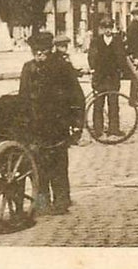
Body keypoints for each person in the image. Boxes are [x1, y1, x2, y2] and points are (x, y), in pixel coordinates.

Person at [19, 31, 85, 215]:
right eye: (36, 52)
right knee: (38, 163)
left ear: (50, 50)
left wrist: (77, 123)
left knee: (58, 161)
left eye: (42, 52)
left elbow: (76, 96)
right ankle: (42, 200)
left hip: (57, 123)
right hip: (36, 124)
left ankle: (62, 199)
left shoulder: (61, 67)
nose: (39, 56)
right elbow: (22, 96)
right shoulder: (28, 69)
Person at [87, 17, 130, 138]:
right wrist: (93, 69)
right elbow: (91, 56)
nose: (108, 30)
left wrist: (122, 71)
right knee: (98, 103)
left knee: (114, 103)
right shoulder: (96, 41)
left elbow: (122, 57)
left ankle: (114, 128)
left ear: (113, 28)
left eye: (110, 28)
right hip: (100, 77)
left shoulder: (117, 41)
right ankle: (98, 129)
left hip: (113, 77)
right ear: (101, 29)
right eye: (105, 28)